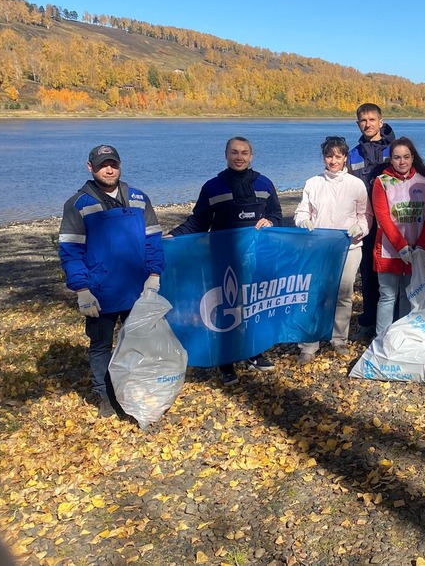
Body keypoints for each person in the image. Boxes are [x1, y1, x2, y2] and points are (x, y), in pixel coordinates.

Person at [58, 144, 164, 417]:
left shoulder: (139, 197)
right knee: (101, 346)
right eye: (103, 164)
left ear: (120, 165)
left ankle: (133, 391)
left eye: (113, 164)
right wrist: (82, 290)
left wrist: (154, 275)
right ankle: (105, 395)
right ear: (90, 167)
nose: (109, 169)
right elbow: (71, 251)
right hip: (99, 292)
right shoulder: (78, 204)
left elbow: (152, 239)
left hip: (137, 290)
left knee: (138, 343)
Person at [168, 136, 283, 385]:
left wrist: (271, 221)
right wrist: (174, 235)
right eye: (234, 152)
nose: (239, 157)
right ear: (226, 155)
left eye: (244, 152)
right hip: (222, 260)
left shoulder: (264, 183)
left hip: (256, 258)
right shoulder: (213, 187)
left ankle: (254, 352)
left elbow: (276, 215)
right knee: (226, 310)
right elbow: (199, 221)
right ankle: (226, 363)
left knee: (253, 308)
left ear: (251, 156)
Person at [294, 136, 370, 363]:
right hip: (318, 249)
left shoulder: (356, 184)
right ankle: (309, 344)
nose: (333, 160)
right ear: (324, 157)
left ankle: (339, 339)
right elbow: (301, 212)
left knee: (344, 294)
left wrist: (360, 228)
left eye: (338, 156)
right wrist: (303, 222)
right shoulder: (312, 183)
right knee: (315, 294)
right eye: (329, 155)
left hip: (349, 247)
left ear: (346, 157)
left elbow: (365, 215)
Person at [370, 137, 425, 334]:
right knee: (387, 296)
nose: (402, 162)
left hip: (416, 251)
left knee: (409, 296)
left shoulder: (423, 181)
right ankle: (382, 338)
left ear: (412, 157)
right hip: (389, 250)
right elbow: (383, 217)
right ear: (390, 159)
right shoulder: (382, 182)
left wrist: (422, 245)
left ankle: (403, 336)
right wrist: (400, 245)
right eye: (397, 157)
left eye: (406, 157)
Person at [348, 103, 396, 341]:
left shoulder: (395, 148)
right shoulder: (353, 154)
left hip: (394, 221)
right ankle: (368, 321)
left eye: (371, 119)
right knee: (368, 273)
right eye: (363, 120)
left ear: (381, 121)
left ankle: (397, 320)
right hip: (365, 223)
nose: (367, 124)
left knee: (394, 272)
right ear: (358, 124)